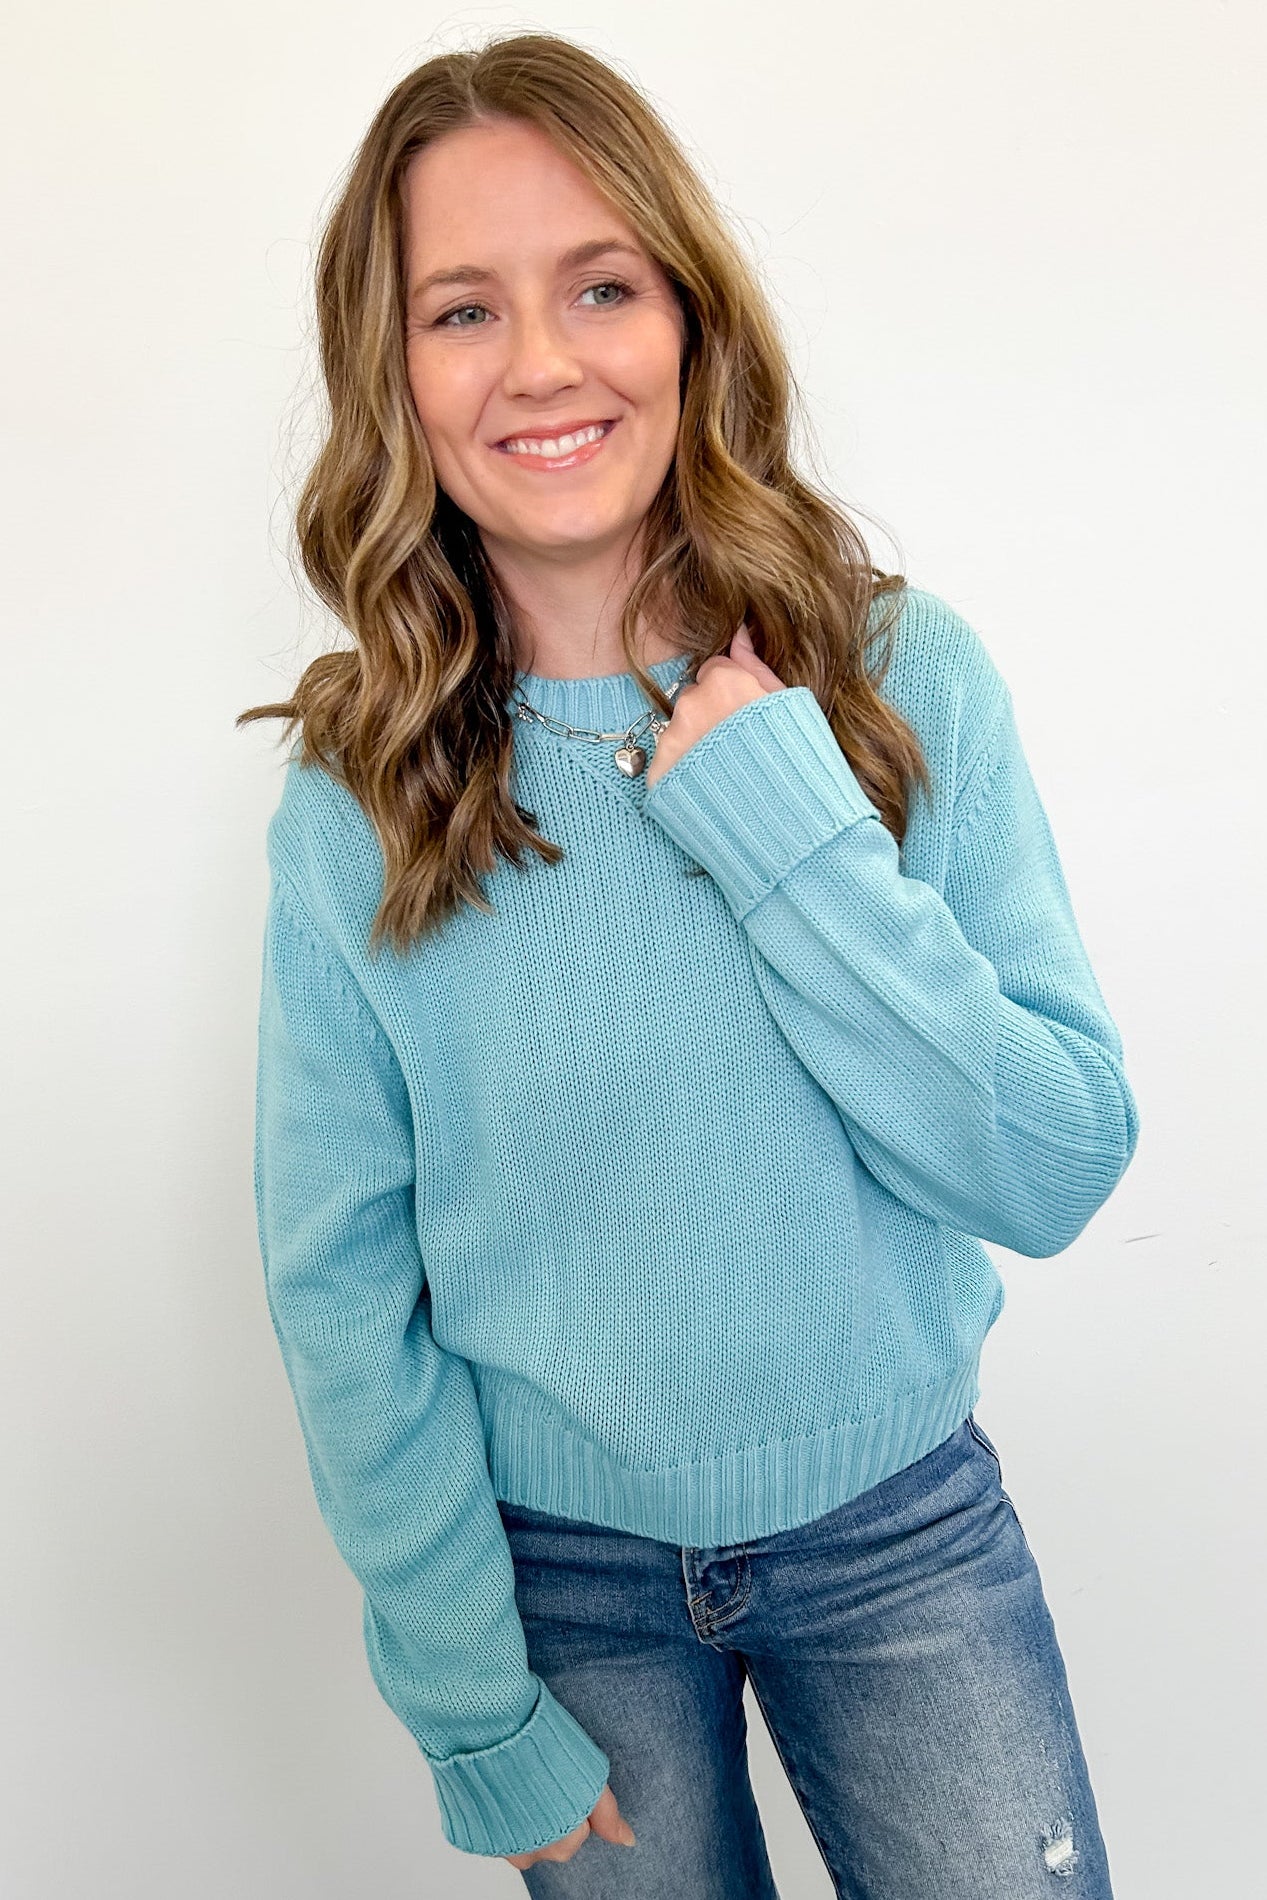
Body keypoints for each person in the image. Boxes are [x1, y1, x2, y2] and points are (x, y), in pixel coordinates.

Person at [240, 29, 1139, 1898]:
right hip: (558, 1585)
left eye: (600, 286)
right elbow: (343, 1293)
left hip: (903, 1539)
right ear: (392, 375)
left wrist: (790, 829)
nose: (544, 362)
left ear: (688, 320)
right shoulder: (361, 798)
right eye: (463, 309)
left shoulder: (900, 681)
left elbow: (1052, 1166)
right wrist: (466, 1701)